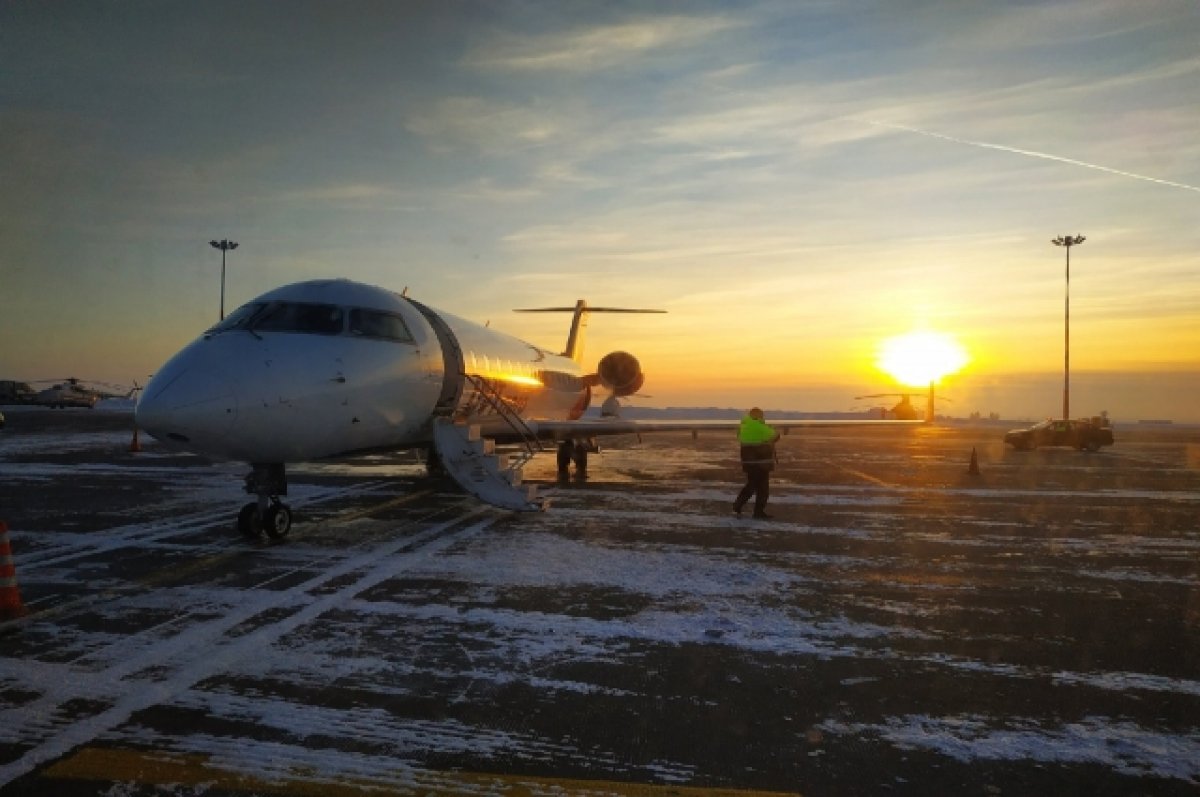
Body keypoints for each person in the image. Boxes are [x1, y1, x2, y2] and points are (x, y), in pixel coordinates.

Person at [733, 407, 781, 519]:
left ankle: (738, 504)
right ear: (759, 416)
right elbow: (775, 436)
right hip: (762, 463)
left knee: (751, 484)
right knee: (762, 488)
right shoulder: (760, 427)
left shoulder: (743, 427)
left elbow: (740, 438)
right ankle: (758, 512)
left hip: (748, 462)